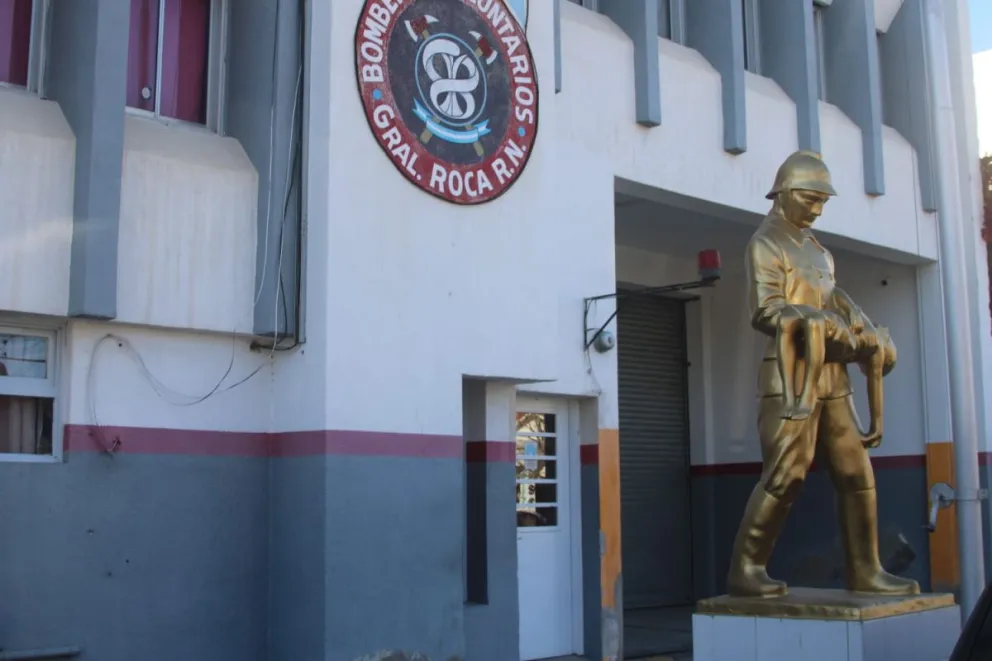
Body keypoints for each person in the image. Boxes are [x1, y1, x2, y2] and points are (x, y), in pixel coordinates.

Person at [727, 150, 919, 598]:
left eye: (822, 202)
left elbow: (836, 302)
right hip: (790, 375)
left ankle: (865, 570)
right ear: (785, 194)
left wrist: (866, 330)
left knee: (856, 471)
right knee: (785, 474)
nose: (817, 209)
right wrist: (814, 320)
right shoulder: (766, 243)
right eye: (810, 199)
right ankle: (745, 568)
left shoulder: (818, 251)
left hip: (834, 378)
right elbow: (766, 310)